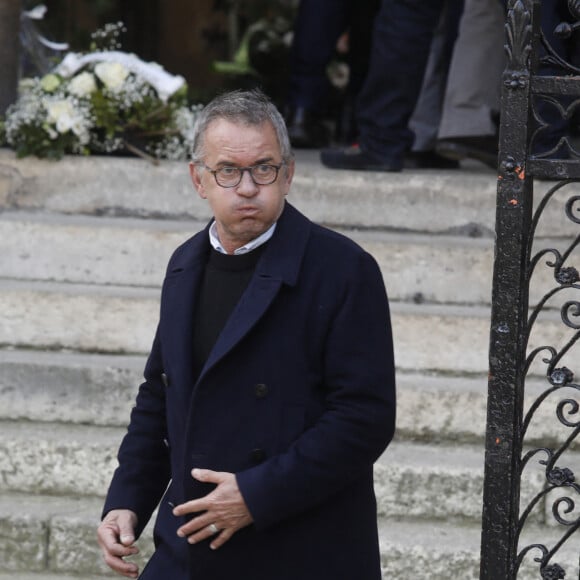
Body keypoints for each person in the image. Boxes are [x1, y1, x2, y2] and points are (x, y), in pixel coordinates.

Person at [97, 88, 396, 579]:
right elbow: (160, 395)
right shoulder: (185, 265)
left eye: (264, 168)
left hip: (299, 546)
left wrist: (256, 496)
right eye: (228, 171)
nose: (248, 187)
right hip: (190, 545)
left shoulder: (344, 269)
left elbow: (365, 417)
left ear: (288, 173)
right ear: (199, 179)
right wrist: (126, 500)